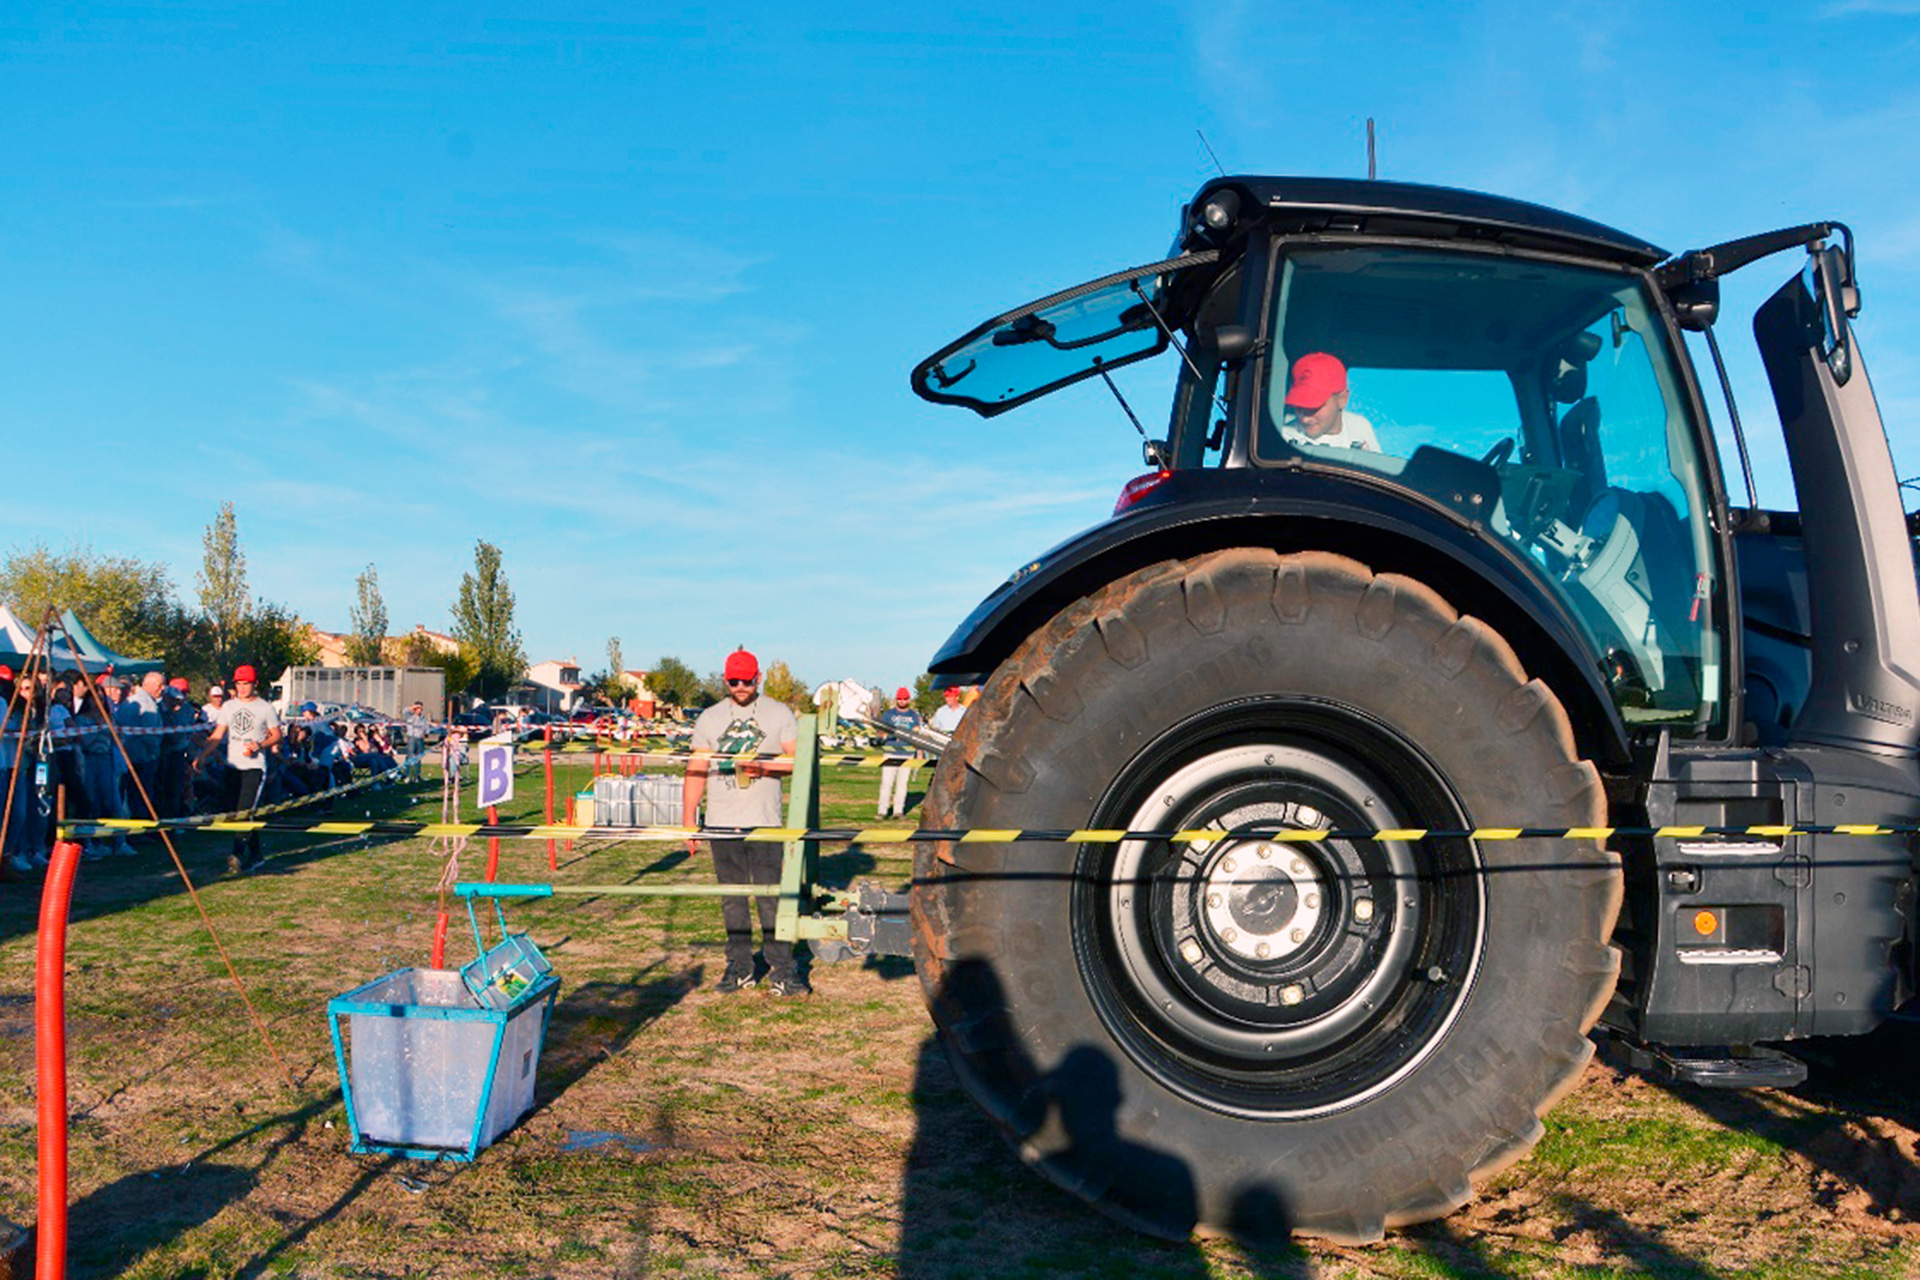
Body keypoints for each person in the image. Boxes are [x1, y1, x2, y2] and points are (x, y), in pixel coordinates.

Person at [681, 648, 804, 996]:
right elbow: (696, 769)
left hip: (764, 823)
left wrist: (765, 767)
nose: (740, 686)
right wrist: (689, 819)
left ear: (757, 677)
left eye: (746, 680)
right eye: (733, 681)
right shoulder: (709, 718)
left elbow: (798, 761)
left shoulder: (779, 713)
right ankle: (740, 967)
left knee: (771, 898)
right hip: (722, 823)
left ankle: (783, 969)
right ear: (725, 680)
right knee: (732, 899)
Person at [193, 664, 283, 874]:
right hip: (232, 766)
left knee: (244, 811)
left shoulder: (265, 708)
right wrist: (202, 755)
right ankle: (257, 853)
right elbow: (217, 735)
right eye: (239, 684)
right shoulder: (228, 707)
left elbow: (277, 735)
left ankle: (236, 855)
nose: (242, 688)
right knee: (236, 813)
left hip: (254, 767)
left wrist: (259, 745)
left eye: (246, 684)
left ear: (255, 684)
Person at [1279, 352, 1379, 452]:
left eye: (1314, 407)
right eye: (1299, 406)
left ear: (1342, 399)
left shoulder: (1360, 427)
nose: (1305, 419)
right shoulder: (1285, 439)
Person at [876, 687, 924, 819]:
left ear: (908, 699)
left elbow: (917, 734)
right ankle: (882, 811)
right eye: (900, 699)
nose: (902, 701)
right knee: (886, 783)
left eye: (905, 699)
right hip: (891, 752)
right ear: (896, 699)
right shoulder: (888, 714)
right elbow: (880, 731)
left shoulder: (913, 715)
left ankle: (898, 811)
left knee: (902, 784)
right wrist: (883, 735)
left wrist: (919, 751)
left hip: (907, 753)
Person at [402, 700, 429, 782]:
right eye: (418, 708)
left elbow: (426, 727)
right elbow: (405, 711)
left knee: (418, 758)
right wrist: (414, 706)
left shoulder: (423, 718)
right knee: (410, 756)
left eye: (421, 708)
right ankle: (407, 775)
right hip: (412, 737)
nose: (420, 710)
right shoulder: (410, 715)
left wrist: (426, 733)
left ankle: (417, 775)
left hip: (420, 739)